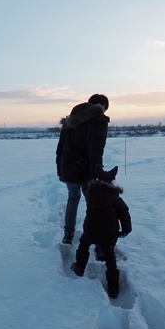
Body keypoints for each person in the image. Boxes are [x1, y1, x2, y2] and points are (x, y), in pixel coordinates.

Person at [55, 94, 117, 245]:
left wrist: (60, 169)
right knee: (94, 204)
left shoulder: (70, 121)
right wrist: (97, 172)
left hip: (69, 168)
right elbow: (96, 149)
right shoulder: (99, 121)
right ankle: (97, 241)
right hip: (88, 170)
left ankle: (68, 234)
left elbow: (60, 149)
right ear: (101, 107)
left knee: (73, 199)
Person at [70, 175, 132, 298]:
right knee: (110, 257)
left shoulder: (89, 193)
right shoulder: (116, 199)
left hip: (90, 230)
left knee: (83, 244)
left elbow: (85, 185)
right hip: (108, 234)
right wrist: (126, 230)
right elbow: (125, 215)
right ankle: (113, 287)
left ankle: (80, 267)